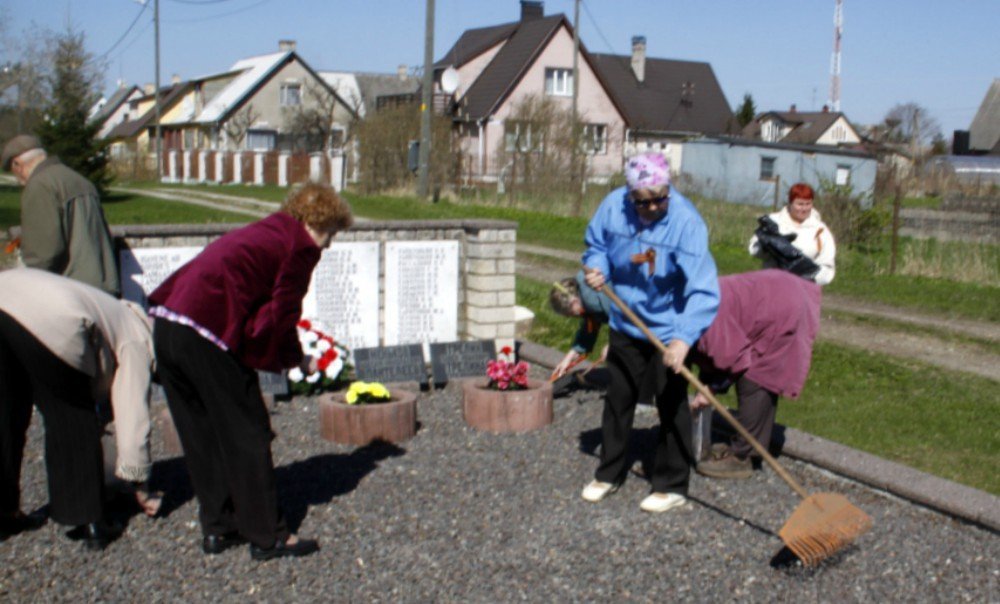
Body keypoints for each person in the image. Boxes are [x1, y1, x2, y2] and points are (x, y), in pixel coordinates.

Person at [148, 182, 352, 561]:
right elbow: (281, 313)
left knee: (201, 431)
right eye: (332, 233)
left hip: (167, 325)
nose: (329, 244)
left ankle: (219, 527)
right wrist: (296, 358)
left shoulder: (268, 231)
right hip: (205, 331)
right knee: (248, 431)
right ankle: (268, 535)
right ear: (318, 222)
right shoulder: (299, 246)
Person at [579, 152, 720, 513]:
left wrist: (683, 339)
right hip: (626, 320)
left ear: (668, 189)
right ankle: (609, 473)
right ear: (630, 195)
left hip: (669, 326)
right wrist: (596, 269)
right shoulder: (613, 208)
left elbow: (703, 289)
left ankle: (672, 484)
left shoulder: (686, 223)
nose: (653, 207)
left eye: (660, 198)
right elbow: (596, 245)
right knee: (618, 399)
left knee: (671, 403)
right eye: (643, 201)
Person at [0, 268, 159, 551]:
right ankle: (91, 522)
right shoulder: (139, 339)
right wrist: (139, 482)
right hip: (51, 318)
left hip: (7, 295)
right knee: (71, 415)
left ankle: (4, 514)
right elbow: (132, 415)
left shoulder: (112, 309)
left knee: (6, 415)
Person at [688, 269, 822, 478]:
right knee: (755, 374)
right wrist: (706, 385)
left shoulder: (707, 321)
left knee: (757, 378)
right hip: (774, 296)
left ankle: (743, 457)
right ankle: (747, 445)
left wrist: (710, 389)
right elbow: (714, 357)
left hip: (782, 307)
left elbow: (737, 360)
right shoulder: (694, 315)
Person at [1, 134, 120, 296]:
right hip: (103, 288)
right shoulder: (80, 180)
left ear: (18, 164)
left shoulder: (40, 185)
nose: (18, 180)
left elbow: (43, 254)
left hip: (71, 292)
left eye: (14, 172)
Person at [748, 182, 836, 286]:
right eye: (800, 204)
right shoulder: (773, 221)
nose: (804, 209)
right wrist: (766, 246)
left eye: (808, 204)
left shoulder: (820, 230)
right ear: (790, 203)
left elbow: (827, 266)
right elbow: (753, 250)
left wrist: (809, 277)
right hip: (771, 285)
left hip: (803, 289)